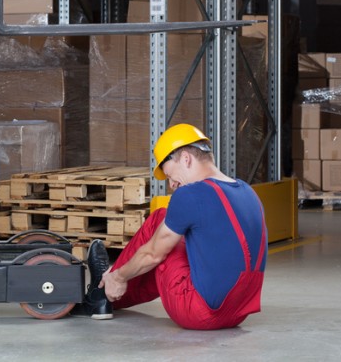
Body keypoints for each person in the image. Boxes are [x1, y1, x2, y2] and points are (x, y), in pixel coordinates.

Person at [79, 123, 267, 330]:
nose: (172, 184)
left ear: (186, 159)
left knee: (160, 221)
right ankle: (110, 291)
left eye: (169, 175)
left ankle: (103, 291)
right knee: (176, 237)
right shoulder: (247, 191)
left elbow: (153, 255)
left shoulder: (190, 194)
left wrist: (119, 275)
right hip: (236, 314)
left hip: (198, 313)